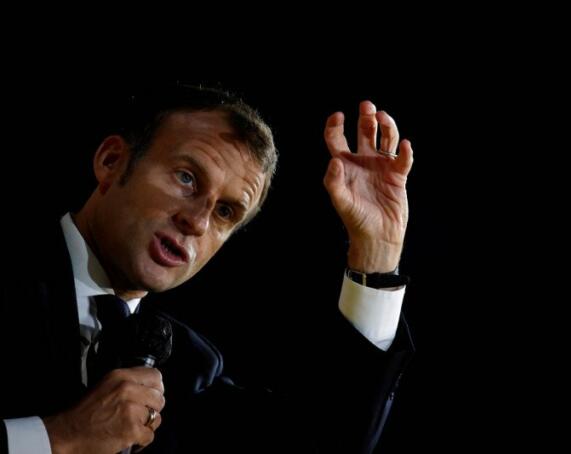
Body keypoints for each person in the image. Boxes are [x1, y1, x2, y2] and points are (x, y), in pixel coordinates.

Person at [0, 84, 415, 453]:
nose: (197, 222)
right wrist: (59, 438)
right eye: (186, 178)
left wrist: (376, 253)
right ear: (111, 162)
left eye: (225, 212)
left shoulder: (188, 366)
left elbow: (322, 442)